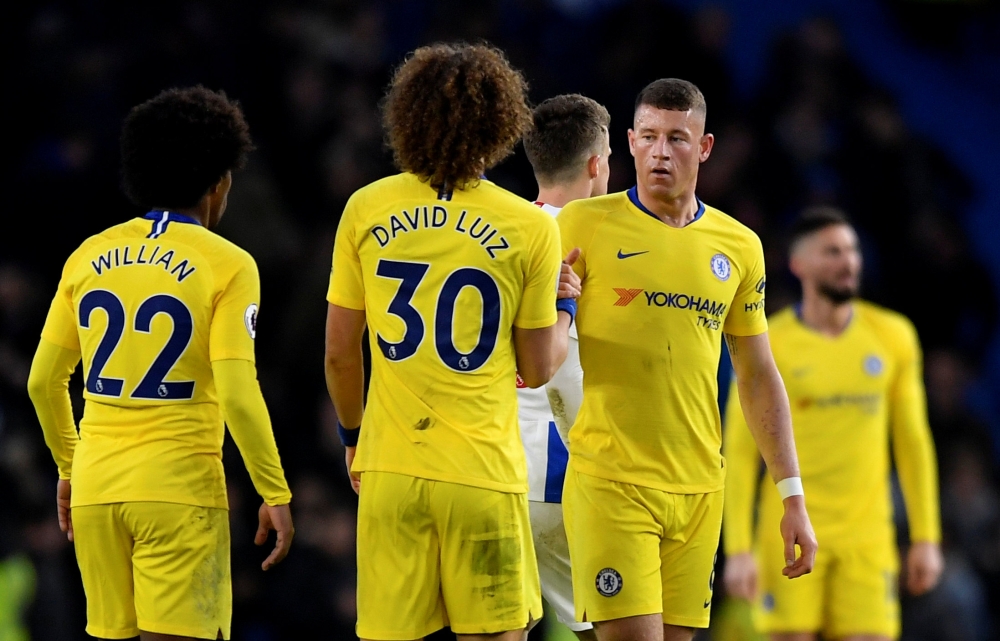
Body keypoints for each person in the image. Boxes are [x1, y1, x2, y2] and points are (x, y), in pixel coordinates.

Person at [324, 43, 580, 641]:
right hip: (482, 476)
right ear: (502, 124)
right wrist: (565, 304)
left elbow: (339, 353)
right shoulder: (528, 226)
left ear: (406, 116)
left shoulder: (366, 207)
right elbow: (540, 369)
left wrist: (353, 437)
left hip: (390, 470)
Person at [26, 86, 294, 641]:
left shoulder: (89, 254)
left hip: (97, 488)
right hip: (178, 489)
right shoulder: (228, 264)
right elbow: (239, 391)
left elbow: (43, 380)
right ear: (220, 181)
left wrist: (69, 467)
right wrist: (274, 490)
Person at [556, 78, 818, 641]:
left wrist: (791, 493)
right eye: (648, 136)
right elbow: (531, 342)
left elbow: (756, 373)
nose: (660, 151)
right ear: (628, 142)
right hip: (611, 482)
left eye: (677, 138)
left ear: (704, 148)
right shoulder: (581, 225)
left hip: (700, 490)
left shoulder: (739, 246)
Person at [722, 207, 943, 641]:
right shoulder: (770, 345)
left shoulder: (893, 336)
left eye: (853, 250)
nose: (849, 262)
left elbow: (913, 444)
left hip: (867, 538)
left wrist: (925, 537)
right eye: (833, 252)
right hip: (788, 534)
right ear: (798, 263)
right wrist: (738, 550)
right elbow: (741, 452)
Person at [519, 93, 612, 641]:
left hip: (489, 467)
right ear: (598, 163)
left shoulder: (498, 231)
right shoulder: (601, 238)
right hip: (565, 472)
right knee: (613, 629)